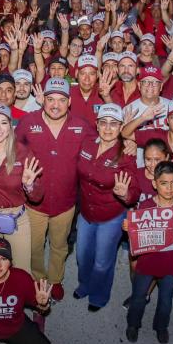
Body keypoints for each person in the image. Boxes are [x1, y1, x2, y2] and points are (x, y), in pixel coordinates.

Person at [15, 77, 92, 301]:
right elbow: (13, 151)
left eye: (61, 100)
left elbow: (100, 149)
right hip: (33, 203)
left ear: (69, 102)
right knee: (35, 247)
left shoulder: (82, 126)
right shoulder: (28, 123)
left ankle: (56, 279)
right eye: (50, 99)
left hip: (66, 203)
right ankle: (39, 278)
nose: (55, 105)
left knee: (59, 246)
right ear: (43, 101)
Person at [74, 103, 140, 311]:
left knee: (103, 262)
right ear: (97, 124)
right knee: (82, 256)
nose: (108, 128)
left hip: (110, 216)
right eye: (104, 123)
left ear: (121, 127)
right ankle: (85, 285)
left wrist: (125, 194)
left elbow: (135, 191)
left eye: (114, 124)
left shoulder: (127, 154)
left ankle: (99, 296)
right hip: (86, 212)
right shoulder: (86, 143)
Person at [0, 104, 44, 274]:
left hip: (16, 219)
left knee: (22, 271)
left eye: (3, 123)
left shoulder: (23, 153)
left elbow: (37, 197)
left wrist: (29, 185)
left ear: (11, 126)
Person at [126, 162, 173, 343]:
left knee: (166, 300)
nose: (169, 188)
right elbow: (135, 237)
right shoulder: (145, 206)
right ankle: (133, 324)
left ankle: (161, 327)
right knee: (138, 297)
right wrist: (129, 228)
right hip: (146, 263)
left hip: (171, 264)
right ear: (155, 184)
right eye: (163, 183)